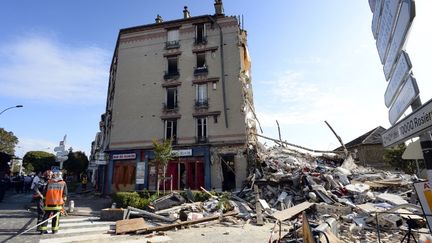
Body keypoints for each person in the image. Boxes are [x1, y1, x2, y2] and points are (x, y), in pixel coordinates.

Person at [40, 170, 67, 234]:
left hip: (48, 203)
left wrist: (44, 201)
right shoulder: (63, 183)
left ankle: (43, 230)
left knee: (45, 216)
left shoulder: (49, 182)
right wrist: (63, 204)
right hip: (57, 204)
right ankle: (54, 230)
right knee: (56, 217)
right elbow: (65, 195)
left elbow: (44, 193)